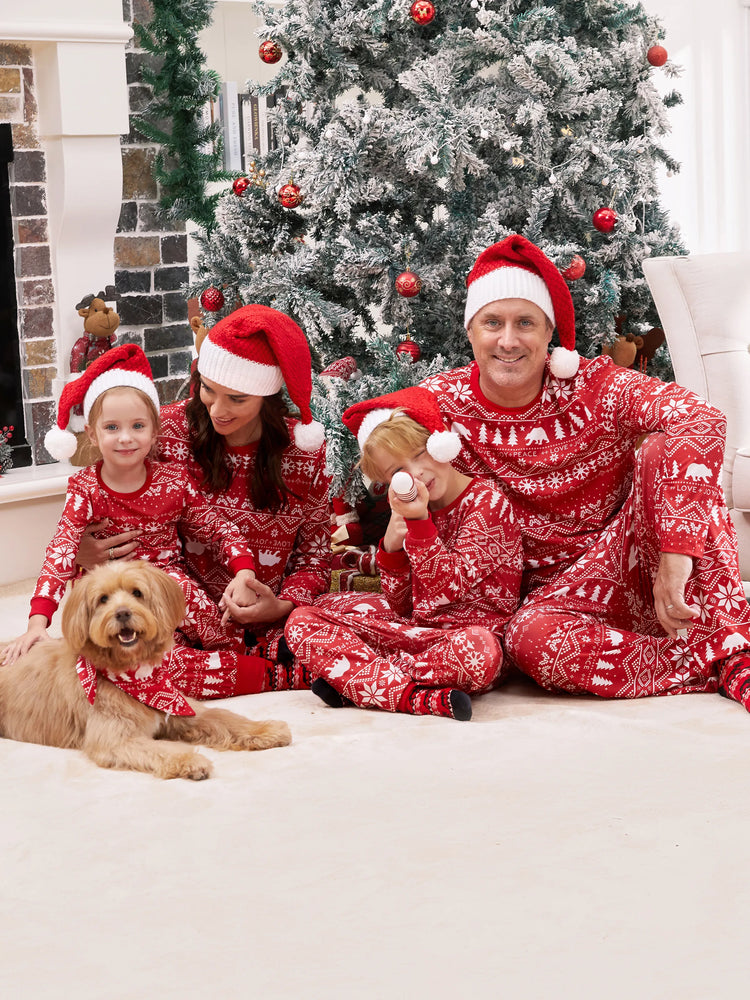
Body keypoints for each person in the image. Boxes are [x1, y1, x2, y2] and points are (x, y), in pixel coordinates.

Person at [420, 232, 750, 708]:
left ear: (548, 333)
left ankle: (735, 654)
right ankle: (712, 656)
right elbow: (377, 448)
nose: (508, 340)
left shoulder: (593, 384)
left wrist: (676, 553)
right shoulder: (437, 405)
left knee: (665, 450)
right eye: (492, 322)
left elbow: (700, 418)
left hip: (630, 563)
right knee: (531, 642)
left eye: (525, 323)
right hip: (545, 611)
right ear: (470, 331)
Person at [74, 305, 332, 699]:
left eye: (237, 399)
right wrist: (85, 553)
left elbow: (315, 559)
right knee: (133, 664)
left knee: (355, 618)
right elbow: (107, 498)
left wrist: (281, 606)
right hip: (170, 614)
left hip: (269, 620)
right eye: (207, 389)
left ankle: (263, 656)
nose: (217, 410)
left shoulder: (306, 452)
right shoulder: (162, 432)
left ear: (267, 396)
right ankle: (281, 673)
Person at [2, 344, 258, 666]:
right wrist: (37, 624)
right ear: (92, 434)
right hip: (105, 589)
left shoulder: (173, 480)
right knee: (108, 636)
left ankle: (234, 657)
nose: (125, 437)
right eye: (112, 427)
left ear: (154, 432)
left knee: (184, 597)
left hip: (160, 584)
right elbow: (61, 551)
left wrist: (244, 572)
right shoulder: (85, 488)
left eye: (138, 426)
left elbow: (218, 528)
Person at [284, 386, 523, 720]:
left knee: (481, 652)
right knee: (305, 617)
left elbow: (444, 590)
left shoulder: (487, 502)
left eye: (421, 453)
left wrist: (420, 525)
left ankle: (358, 677)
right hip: (415, 631)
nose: (416, 473)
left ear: (440, 442)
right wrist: (391, 549)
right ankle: (413, 696)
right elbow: (402, 606)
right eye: (398, 471)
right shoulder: (411, 508)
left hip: (468, 638)